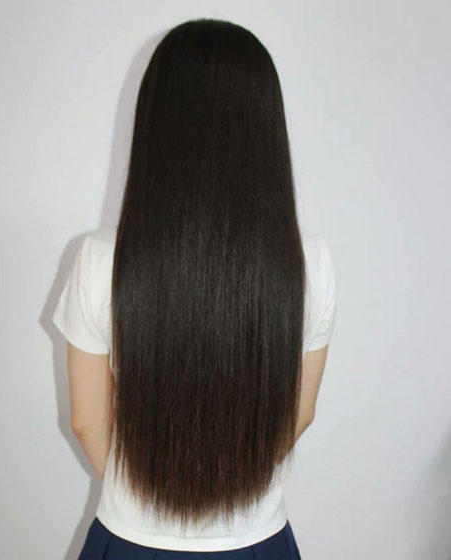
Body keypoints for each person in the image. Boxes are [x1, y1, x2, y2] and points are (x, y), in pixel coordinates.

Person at [52, 17, 337, 560]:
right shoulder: (310, 261)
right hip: (257, 541)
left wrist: (149, 499)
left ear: (156, 123)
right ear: (265, 129)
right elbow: (300, 414)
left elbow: (87, 422)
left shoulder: (99, 259)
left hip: (130, 541)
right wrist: (229, 488)